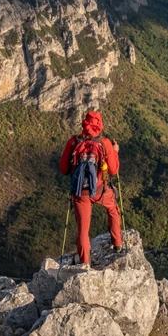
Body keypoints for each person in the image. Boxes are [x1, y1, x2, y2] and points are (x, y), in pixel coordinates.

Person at [59, 111, 123, 264]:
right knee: (113, 209)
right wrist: (114, 152)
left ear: (84, 123)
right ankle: (117, 243)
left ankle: (84, 263)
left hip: (81, 192)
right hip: (101, 189)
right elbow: (113, 170)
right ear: (99, 125)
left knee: (83, 229)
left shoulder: (73, 142)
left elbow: (63, 169)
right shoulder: (104, 143)